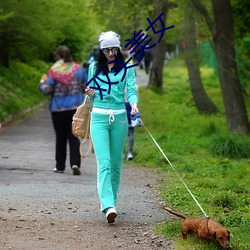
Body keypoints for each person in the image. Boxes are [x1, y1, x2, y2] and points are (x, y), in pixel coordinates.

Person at [85, 31, 138, 223]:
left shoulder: (127, 68)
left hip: (120, 118)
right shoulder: (94, 67)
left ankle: (112, 201)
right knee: (104, 163)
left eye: (113, 49)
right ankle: (107, 205)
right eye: (106, 49)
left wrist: (134, 104)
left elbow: (131, 90)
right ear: (101, 50)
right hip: (98, 117)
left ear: (118, 48)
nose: (110, 53)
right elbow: (91, 96)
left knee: (116, 164)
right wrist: (90, 92)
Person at [39, 45, 87, 175]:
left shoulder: (54, 71)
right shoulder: (79, 70)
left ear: (58, 57)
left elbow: (47, 90)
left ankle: (60, 167)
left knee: (60, 138)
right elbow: (86, 87)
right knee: (74, 137)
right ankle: (75, 163)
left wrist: (42, 83)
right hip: (75, 109)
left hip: (58, 109)